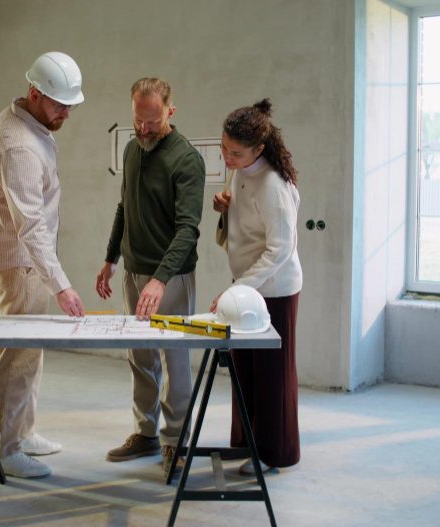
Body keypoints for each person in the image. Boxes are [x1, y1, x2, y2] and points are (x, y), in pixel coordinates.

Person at [0, 51, 86, 478]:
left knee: (29, 350)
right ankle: (7, 450)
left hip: (28, 262)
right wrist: (61, 284)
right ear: (34, 93)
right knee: (18, 353)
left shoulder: (32, 124)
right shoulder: (17, 145)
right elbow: (29, 225)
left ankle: (23, 432)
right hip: (21, 262)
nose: (66, 113)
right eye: (60, 104)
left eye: (70, 105)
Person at [96, 77, 206, 475]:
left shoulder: (186, 160)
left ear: (170, 111)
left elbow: (187, 230)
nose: (143, 129)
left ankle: (175, 441)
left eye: (152, 120)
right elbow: (125, 207)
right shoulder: (131, 149)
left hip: (172, 277)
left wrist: (160, 279)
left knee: (173, 358)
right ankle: (145, 433)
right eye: (137, 120)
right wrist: (111, 258)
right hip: (133, 270)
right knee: (140, 357)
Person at [211, 99, 302, 476]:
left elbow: (280, 250)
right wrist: (225, 208)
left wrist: (237, 291)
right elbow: (245, 225)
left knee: (271, 374)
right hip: (248, 284)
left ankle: (272, 454)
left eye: (235, 153)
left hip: (274, 290)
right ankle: (247, 444)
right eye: (224, 148)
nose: (227, 157)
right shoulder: (242, 171)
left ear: (259, 150)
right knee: (244, 370)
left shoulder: (274, 185)